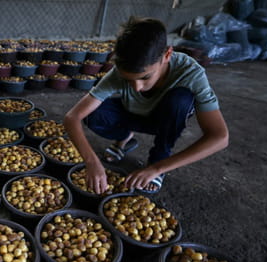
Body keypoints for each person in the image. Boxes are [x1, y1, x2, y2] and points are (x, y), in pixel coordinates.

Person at [64, 17, 229, 194]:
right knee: (92, 113)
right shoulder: (118, 72)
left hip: (163, 121)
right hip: (131, 114)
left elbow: (219, 137)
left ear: (167, 55)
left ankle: (158, 158)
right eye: (128, 80)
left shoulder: (191, 73)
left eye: (145, 78)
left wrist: (157, 168)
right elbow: (72, 117)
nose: (137, 87)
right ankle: (124, 137)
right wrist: (91, 161)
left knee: (180, 100)